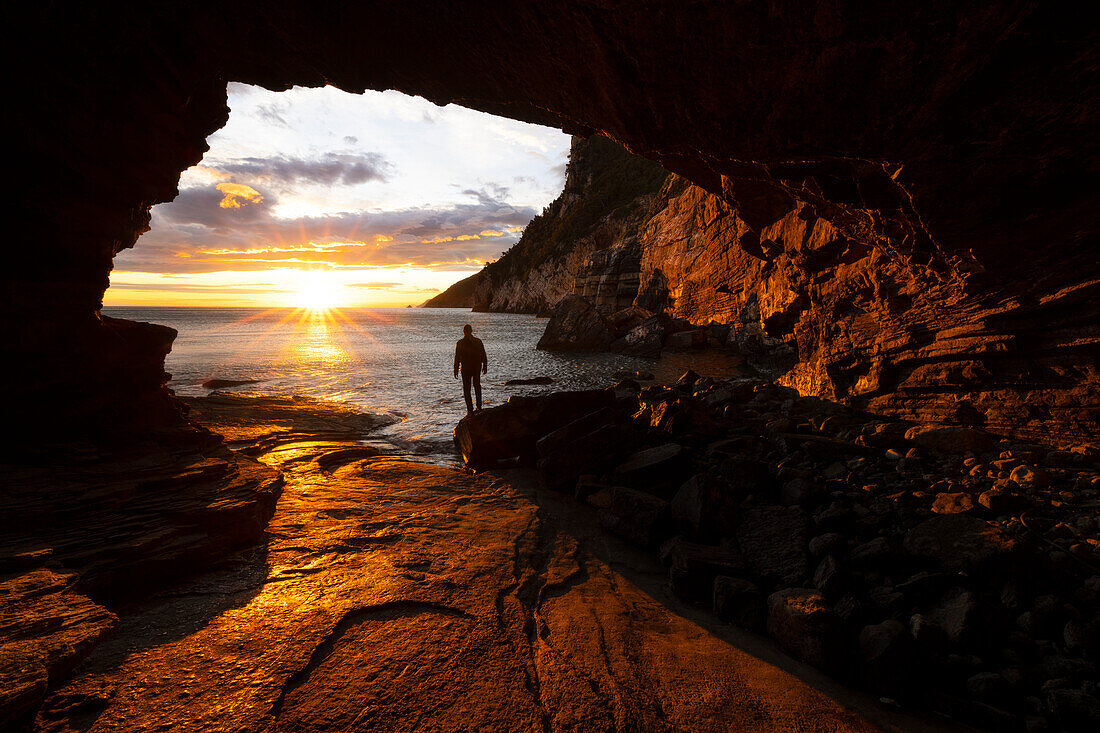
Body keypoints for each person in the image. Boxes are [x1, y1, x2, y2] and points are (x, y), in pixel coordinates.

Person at [453, 324, 488, 414]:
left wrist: (455, 369)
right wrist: (485, 365)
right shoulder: (478, 341)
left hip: (466, 368)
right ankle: (478, 407)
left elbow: (457, 358)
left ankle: (470, 410)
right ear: (471, 331)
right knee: (477, 386)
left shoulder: (460, 343)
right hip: (475, 367)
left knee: (467, 389)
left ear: (463, 332)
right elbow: (483, 354)